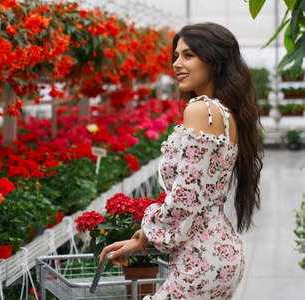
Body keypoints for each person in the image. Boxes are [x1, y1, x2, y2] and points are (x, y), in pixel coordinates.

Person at [99, 22, 264, 299]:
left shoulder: (201, 110)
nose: (177, 64)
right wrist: (143, 237)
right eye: (176, 56)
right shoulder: (225, 113)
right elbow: (198, 198)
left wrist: (147, 224)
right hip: (215, 252)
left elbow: (185, 198)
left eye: (188, 55)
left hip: (201, 260)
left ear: (215, 61)